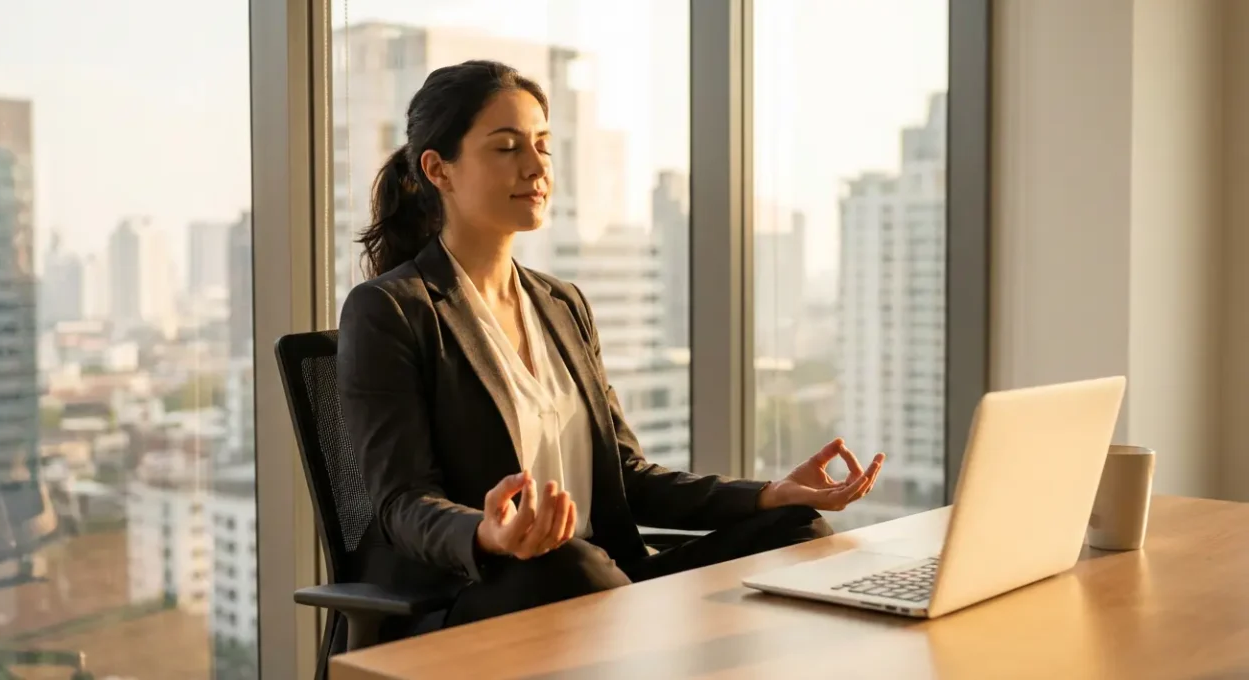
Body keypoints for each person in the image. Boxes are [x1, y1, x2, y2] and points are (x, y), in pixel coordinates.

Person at [338, 59, 885, 632]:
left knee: (796, 528)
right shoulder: (390, 310)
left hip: (603, 578)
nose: (536, 167)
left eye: (543, 145)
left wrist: (770, 494)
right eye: (506, 148)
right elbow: (403, 503)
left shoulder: (561, 303)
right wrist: (486, 533)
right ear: (438, 170)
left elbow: (627, 476)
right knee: (571, 563)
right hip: (484, 590)